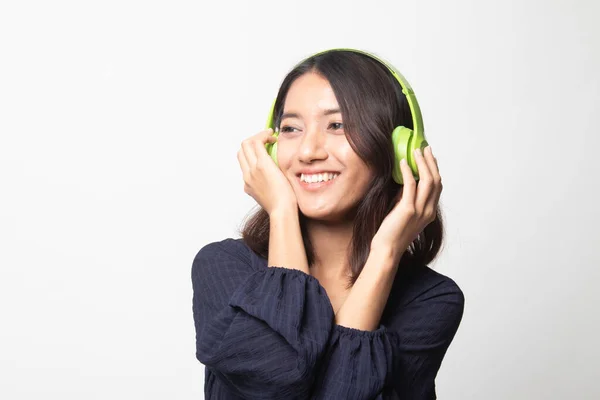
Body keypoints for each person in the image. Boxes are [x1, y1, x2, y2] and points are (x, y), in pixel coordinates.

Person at [191, 48, 465, 399]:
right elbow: (271, 384)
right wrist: (282, 213)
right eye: (291, 128)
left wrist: (384, 256)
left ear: (399, 151)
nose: (308, 151)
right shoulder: (225, 267)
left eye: (337, 125)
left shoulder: (430, 299)